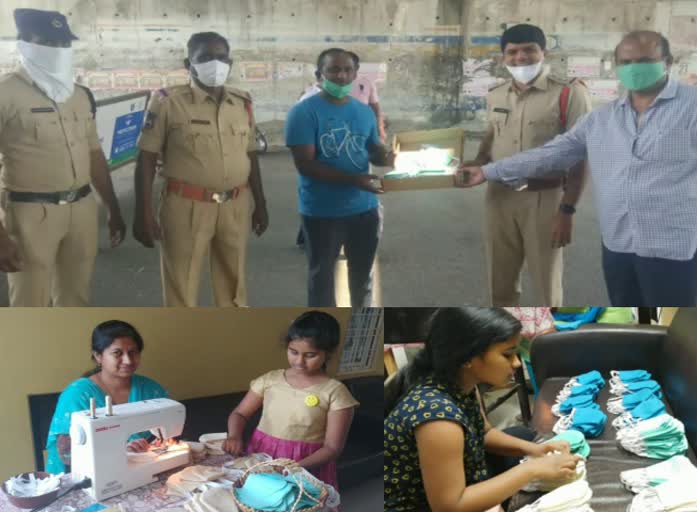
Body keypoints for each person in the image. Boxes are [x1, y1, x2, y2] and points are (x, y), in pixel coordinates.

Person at [458, 30, 697, 306]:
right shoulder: (604, 118)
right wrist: (487, 171)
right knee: (627, 314)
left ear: (668, 62)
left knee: (669, 319)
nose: (634, 68)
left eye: (645, 60)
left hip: (672, 247)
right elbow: (552, 153)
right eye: (626, 62)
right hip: (618, 244)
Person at [384, 307, 579, 512]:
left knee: (524, 435)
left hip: (450, 481)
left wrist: (534, 450)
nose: (517, 363)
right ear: (467, 358)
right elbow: (449, 506)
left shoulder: (463, 384)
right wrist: (530, 470)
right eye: (507, 354)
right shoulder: (438, 420)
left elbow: (483, 433)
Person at [0, 8, 126, 306]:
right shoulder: (6, 95)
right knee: (30, 301)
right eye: (46, 42)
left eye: (63, 44)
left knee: (76, 297)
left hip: (82, 209)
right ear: (24, 43)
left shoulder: (79, 95)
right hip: (30, 213)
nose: (57, 51)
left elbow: (94, 153)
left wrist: (113, 207)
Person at [134, 32, 268, 307]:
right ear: (189, 63)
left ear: (230, 61)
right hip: (186, 205)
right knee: (181, 287)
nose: (215, 63)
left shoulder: (242, 102)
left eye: (221, 57)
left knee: (234, 285)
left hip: (235, 204)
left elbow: (251, 154)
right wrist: (142, 212)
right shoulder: (168, 102)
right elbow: (146, 158)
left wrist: (261, 203)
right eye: (205, 57)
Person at [467, 24, 591, 306]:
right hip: (498, 197)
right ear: (503, 58)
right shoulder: (496, 94)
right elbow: (490, 136)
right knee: (499, 283)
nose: (520, 58)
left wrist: (567, 210)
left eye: (528, 50)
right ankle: (504, 333)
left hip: (544, 199)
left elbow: (582, 155)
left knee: (546, 285)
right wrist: (477, 162)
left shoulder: (569, 93)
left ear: (543, 52)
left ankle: (550, 340)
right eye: (512, 52)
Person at [285, 48, 395, 307]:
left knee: (362, 279)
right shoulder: (303, 112)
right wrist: (355, 180)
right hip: (322, 211)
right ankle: (326, 332)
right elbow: (305, 165)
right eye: (334, 70)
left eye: (347, 70)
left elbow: (373, 154)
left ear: (356, 74)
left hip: (365, 209)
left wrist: (388, 158)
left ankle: (361, 326)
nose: (342, 76)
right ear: (319, 74)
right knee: (322, 279)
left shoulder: (364, 111)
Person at [222, 311, 359, 493]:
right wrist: (234, 435)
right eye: (293, 352)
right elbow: (240, 414)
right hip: (261, 458)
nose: (299, 361)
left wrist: (295, 468)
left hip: (306, 465)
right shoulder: (269, 380)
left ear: (328, 353)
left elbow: (332, 448)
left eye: (310, 355)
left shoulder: (335, 392)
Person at [46, 320, 168, 474]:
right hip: (89, 476)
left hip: (139, 467)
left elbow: (164, 438)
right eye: (117, 353)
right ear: (98, 356)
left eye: (133, 352)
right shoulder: (78, 395)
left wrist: (145, 448)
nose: (128, 360)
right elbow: (67, 455)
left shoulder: (152, 390)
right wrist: (122, 452)